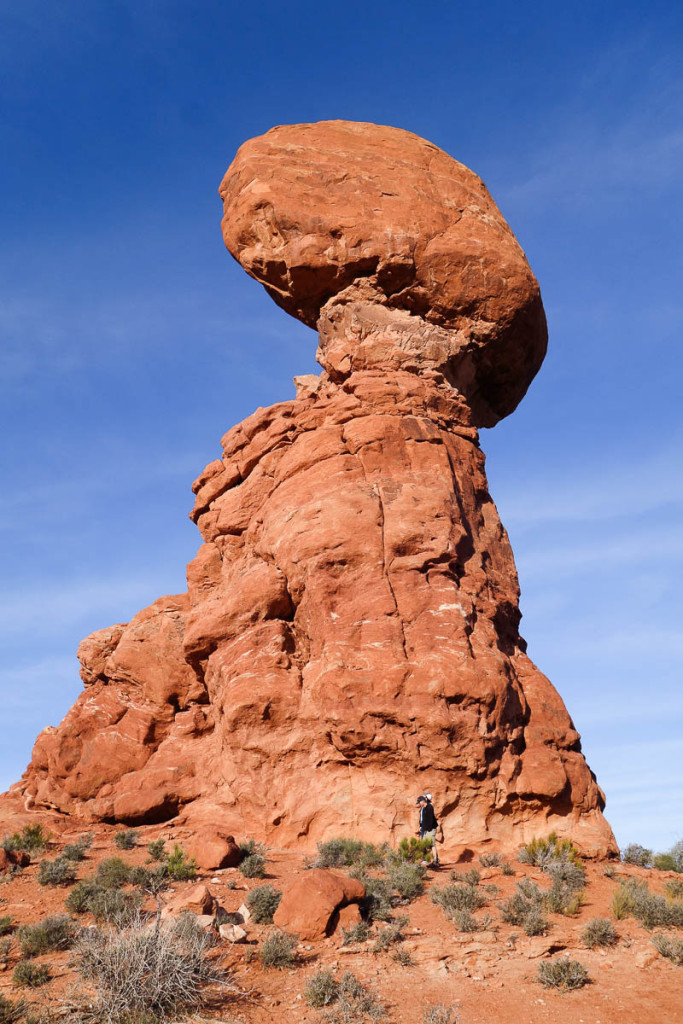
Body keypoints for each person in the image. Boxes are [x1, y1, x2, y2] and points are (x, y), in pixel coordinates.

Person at [416, 793, 440, 865]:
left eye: (419, 802)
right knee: (426, 844)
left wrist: (427, 829)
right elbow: (423, 819)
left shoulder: (429, 807)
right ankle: (429, 859)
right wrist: (421, 826)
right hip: (425, 829)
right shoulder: (424, 807)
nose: (419, 804)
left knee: (432, 844)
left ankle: (435, 860)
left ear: (423, 800)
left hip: (430, 829)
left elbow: (430, 819)